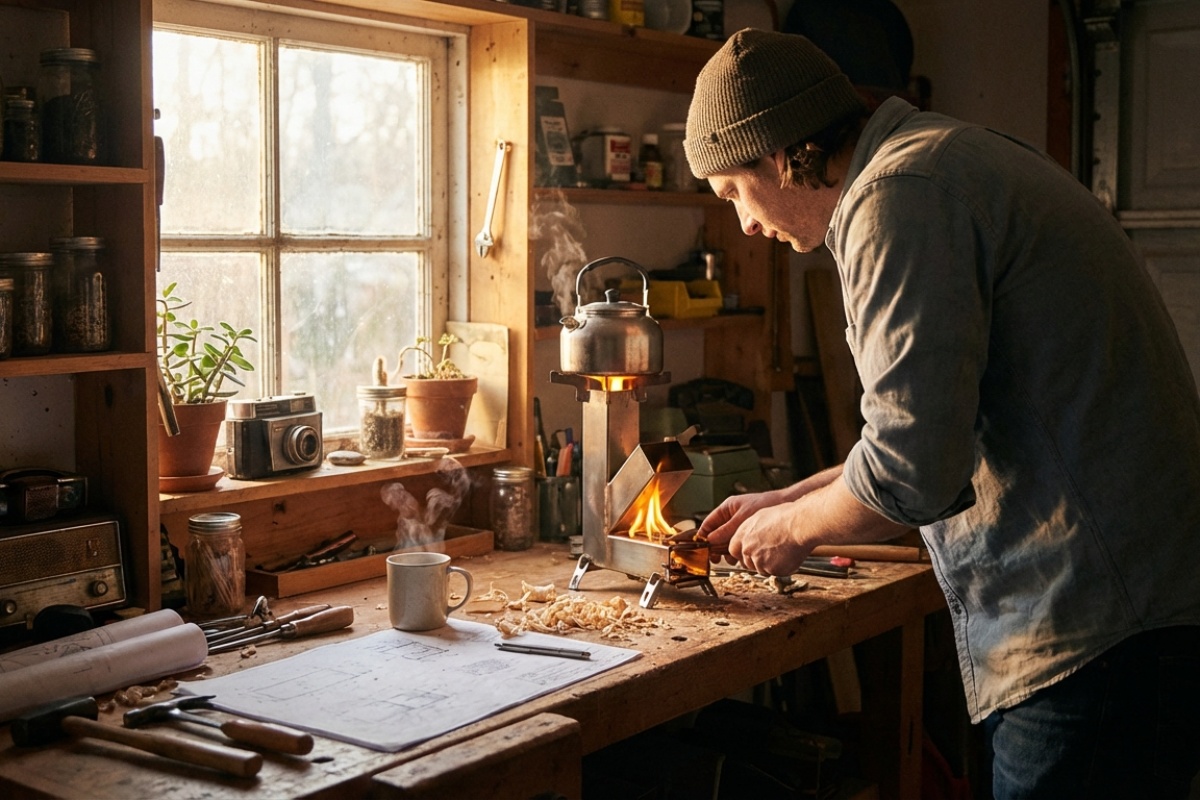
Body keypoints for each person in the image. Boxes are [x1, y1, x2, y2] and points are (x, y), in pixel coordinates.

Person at [686, 28, 1200, 799]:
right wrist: (787, 498)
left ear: (775, 154)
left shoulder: (897, 198)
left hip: (1094, 627)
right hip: (1130, 612)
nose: (745, 226)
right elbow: (929, 429)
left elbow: (912, 473)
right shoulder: (936, 159)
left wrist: (788, 533)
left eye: (732, 195)